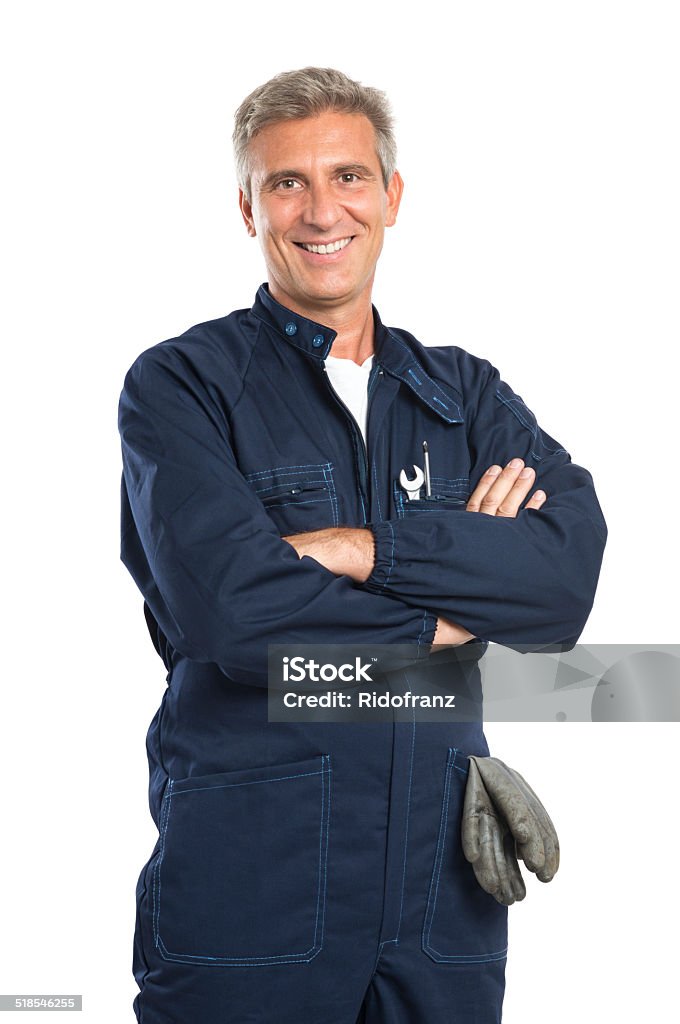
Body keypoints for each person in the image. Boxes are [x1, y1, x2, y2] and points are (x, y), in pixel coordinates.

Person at [118, 67, 606, 1024]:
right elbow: (234, 615)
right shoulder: (183, 385)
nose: (319, 210)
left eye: (346, 176)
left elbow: (562, 587)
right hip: (251, 884)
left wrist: (353, 547)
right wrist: (460, 598)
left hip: (440, 891)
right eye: (285, 183)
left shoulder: (463, 393)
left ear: (390, 195)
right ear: (248, 209)